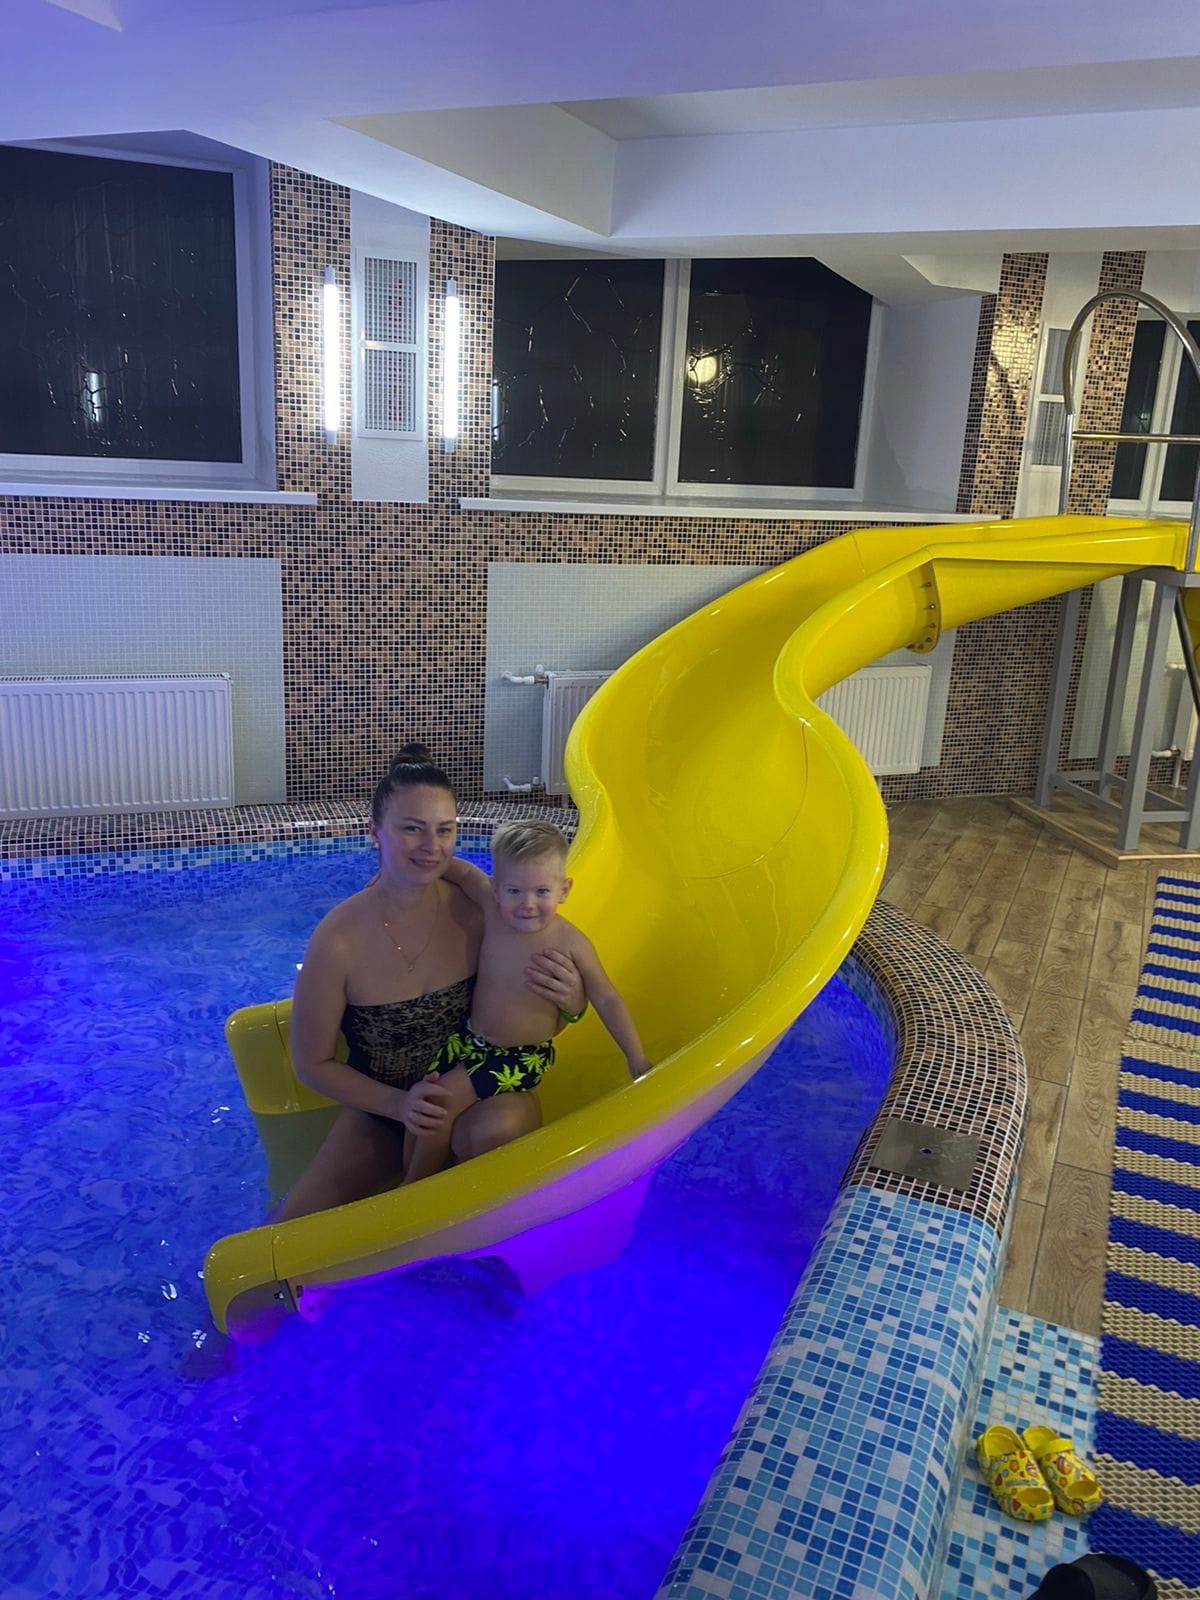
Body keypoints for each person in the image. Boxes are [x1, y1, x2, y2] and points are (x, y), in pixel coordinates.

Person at [277, 747, 586, 1222]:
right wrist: (400, 1105)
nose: (432, 845)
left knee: (493, 1135)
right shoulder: (338, 940)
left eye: (445, 829)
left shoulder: (481, 911)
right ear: (375, 833)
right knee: (291, 1231)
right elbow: (311, 1064)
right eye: (412, 828)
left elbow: (529, 1014)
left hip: (481, 1093)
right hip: (383, 1108)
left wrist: (572, 1003)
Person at [402, 818, 652, 1186]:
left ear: (564, 890)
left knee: (437, 1104)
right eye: (515, 891)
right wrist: (410, 865)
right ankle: (423, 1176)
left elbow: (606, 996)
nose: (528, 904)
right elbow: (464, 872)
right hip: (469, 1042)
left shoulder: (570, 943)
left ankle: (415, 1188)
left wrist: (636, 1057)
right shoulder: (492, 911)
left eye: (541, 891)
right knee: (422, 1102)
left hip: (519, 1056)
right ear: (496, 889)